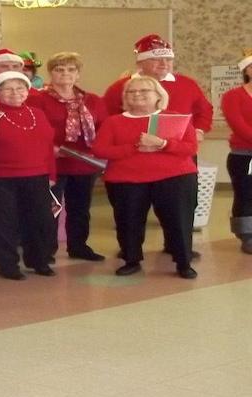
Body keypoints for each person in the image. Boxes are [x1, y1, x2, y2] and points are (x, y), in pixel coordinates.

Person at [103, 35, 212, 261]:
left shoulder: (187, 83)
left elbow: (204, 109)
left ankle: (178, 247)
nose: (164, 64)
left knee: (182, 206)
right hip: (134, 160)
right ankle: (130, 251)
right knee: (131, 210)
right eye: (156, 60)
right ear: (140, 63)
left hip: (178, 157)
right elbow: (106, 116)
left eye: (168, 60)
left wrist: (200, 129)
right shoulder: (122, 87)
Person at [93, 75, 199, 279]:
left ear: (158, 96)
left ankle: (183, 262)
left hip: (175, 177)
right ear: (125, 98)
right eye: (131, 92)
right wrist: (134, 148)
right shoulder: (114, 122)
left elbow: (191, 148)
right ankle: (131, 260)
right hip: (126, 179)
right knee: (128, 221)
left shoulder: (175, 117)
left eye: (144, 91)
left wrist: (162, 144)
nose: (137, 95)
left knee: (178, 220)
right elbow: (100, 149)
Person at [0, 72, 57, 280]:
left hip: (37, 175)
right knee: (3, 223)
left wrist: (51, 173)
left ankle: (39, 260)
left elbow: (47, 146)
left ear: (27, 91)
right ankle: (7, 265)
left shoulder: (37, 114)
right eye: (8, 89)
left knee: (39, 220)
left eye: (20, 88)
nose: (15, 93)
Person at [33, 52, 108, 261]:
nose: (65, 74)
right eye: (59, 69)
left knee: (80, 208)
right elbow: (34, 130)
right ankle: (46, 250)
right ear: (50, 73)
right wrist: (51, 149)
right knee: (50, 209)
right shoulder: (37, 99)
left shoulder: (93, 100)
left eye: (71, 69)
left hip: (84, 163)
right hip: (52, 163)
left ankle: (79, 246)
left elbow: (104, 127)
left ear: (78, 74)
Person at [222, 53, 252, 254]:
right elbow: (239, 126)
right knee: (245, 196)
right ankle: (248, 236)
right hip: (243, 156)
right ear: (247, 70)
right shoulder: (233, 96)